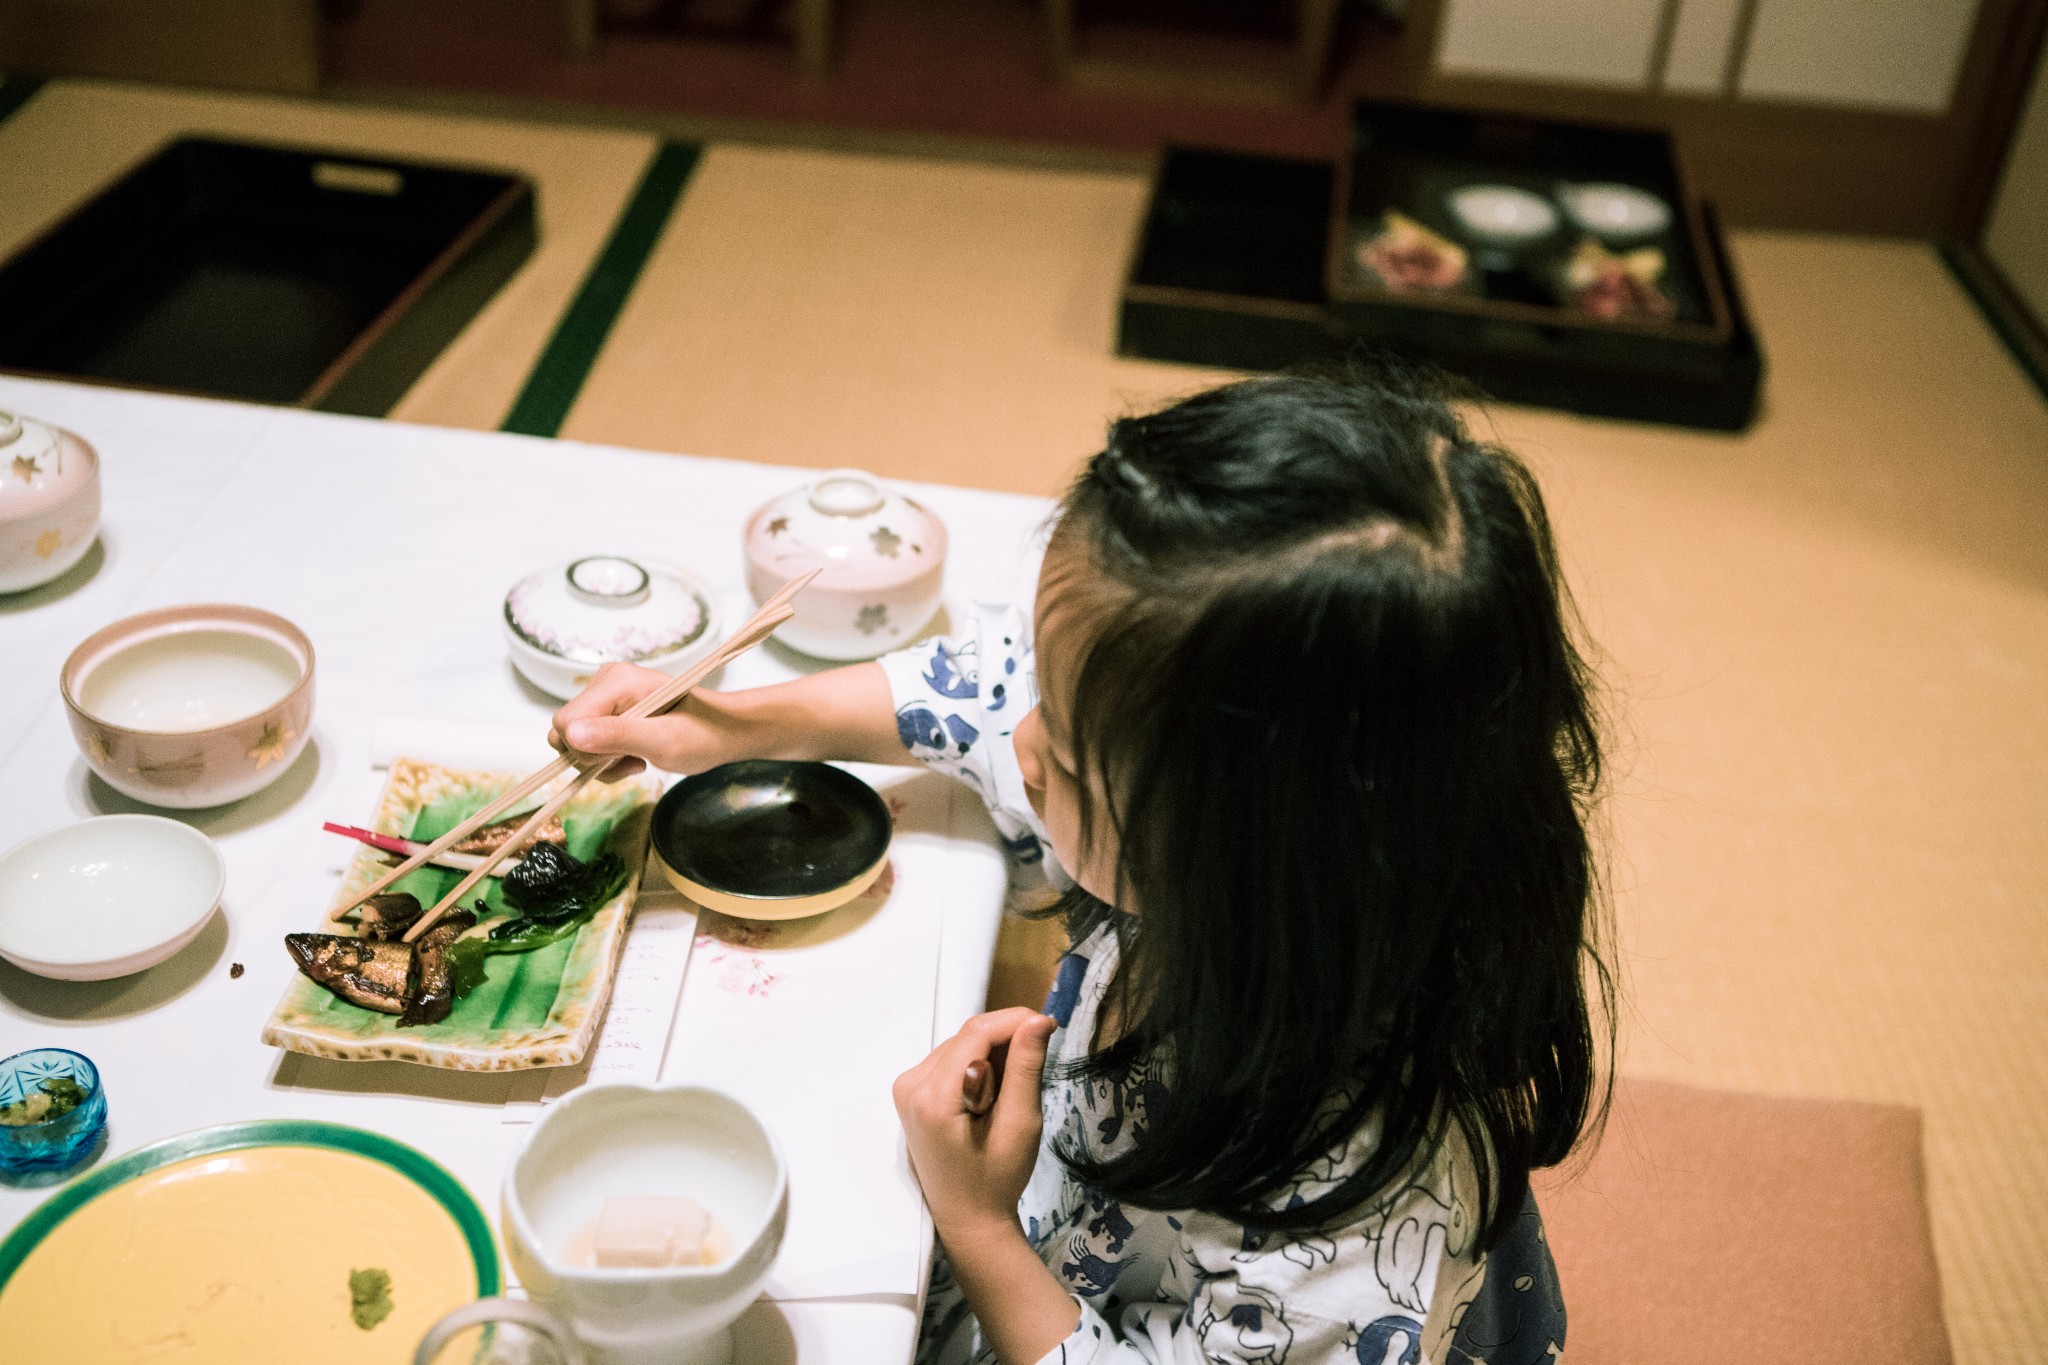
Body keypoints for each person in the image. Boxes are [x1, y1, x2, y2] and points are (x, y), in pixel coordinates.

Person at [550, 368, 1612, 1365]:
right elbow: (983, 686)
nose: (1017, 741)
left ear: (1242, 860)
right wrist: (732, 721)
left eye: (1061, 763)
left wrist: (975, 1225)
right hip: (1074, 1225)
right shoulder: (1283, 836)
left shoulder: (1354, 1206)